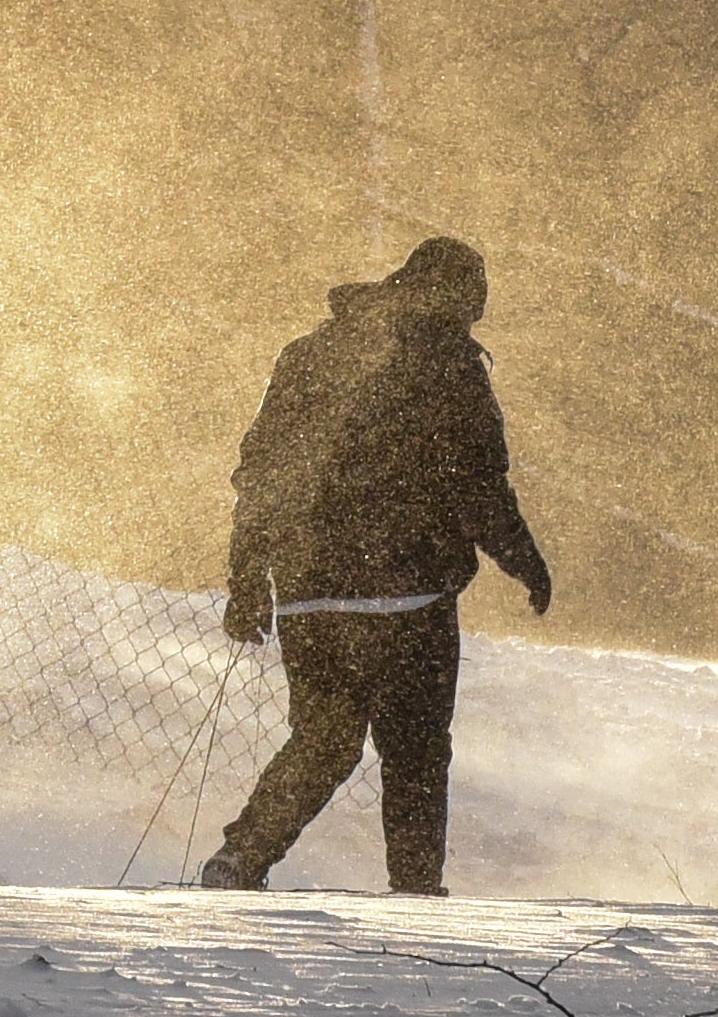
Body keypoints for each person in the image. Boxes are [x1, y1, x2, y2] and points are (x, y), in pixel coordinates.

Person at [197, 236, 552, 895]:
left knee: (324, 743)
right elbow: (475, 483)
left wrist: (248, 576)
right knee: (415, 751)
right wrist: (522, 557)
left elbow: (263, 472)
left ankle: (239, 858)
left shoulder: (310, 353)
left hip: (311, 595)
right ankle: (415, 896)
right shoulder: (450, 364)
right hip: (411, 600)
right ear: (464, 295)